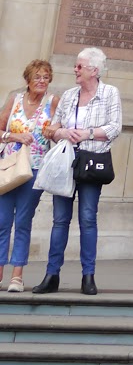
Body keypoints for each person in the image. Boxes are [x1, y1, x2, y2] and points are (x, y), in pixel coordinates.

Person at [33, 47, 121, 296]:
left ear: (94, 70)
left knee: (88, 218)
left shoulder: (110, 93)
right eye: (76, 65)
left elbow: (115, 127)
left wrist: (87, 133)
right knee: (60, 220)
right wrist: (62, 132)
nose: (75, 70)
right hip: (66, 162)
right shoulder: (69, 95)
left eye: (79, 66)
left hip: (91, 164)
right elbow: (52, 128)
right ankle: (51, 275)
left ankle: (88, 276)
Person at [0, 58, 58, 292]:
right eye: (37, 77)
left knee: (23, 222)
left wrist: (54, 130)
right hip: (9, 168)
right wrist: (14, 136)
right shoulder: (14, 100)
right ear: (28, 80)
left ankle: (17, 276)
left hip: (35, 169)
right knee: (2, 221)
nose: (42, 81)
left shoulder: (53, 102)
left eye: (46, 77)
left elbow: (60, 128)